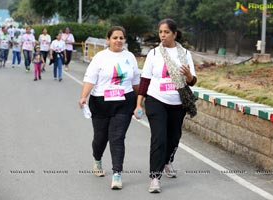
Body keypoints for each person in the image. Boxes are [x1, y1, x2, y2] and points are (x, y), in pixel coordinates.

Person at [133, 18, 197, 193]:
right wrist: (139, 104)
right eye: (160, 32)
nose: (163, 35)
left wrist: (189, 75)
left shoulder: (185, 54)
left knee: (174, 137)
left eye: (166, 32)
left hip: (178, 102)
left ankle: (167, 160)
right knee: (159, 138)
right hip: (156, 100)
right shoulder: (154, 53)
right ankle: (155, 177)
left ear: (174, 34)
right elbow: (145, 80)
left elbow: (192, 82)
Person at [78, 26, 140, 190]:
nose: (118, 40)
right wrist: (84, 96)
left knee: (117, 137)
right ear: (108, 40)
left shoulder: (130, 57)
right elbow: (90, 78)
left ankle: (117, 173)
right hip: (101, 103)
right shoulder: (100, 57)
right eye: (115, 38)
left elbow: (135, 82)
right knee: (100, 138)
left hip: (124, 102)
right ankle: (97, 158)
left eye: (121, 38)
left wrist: (140, 102)